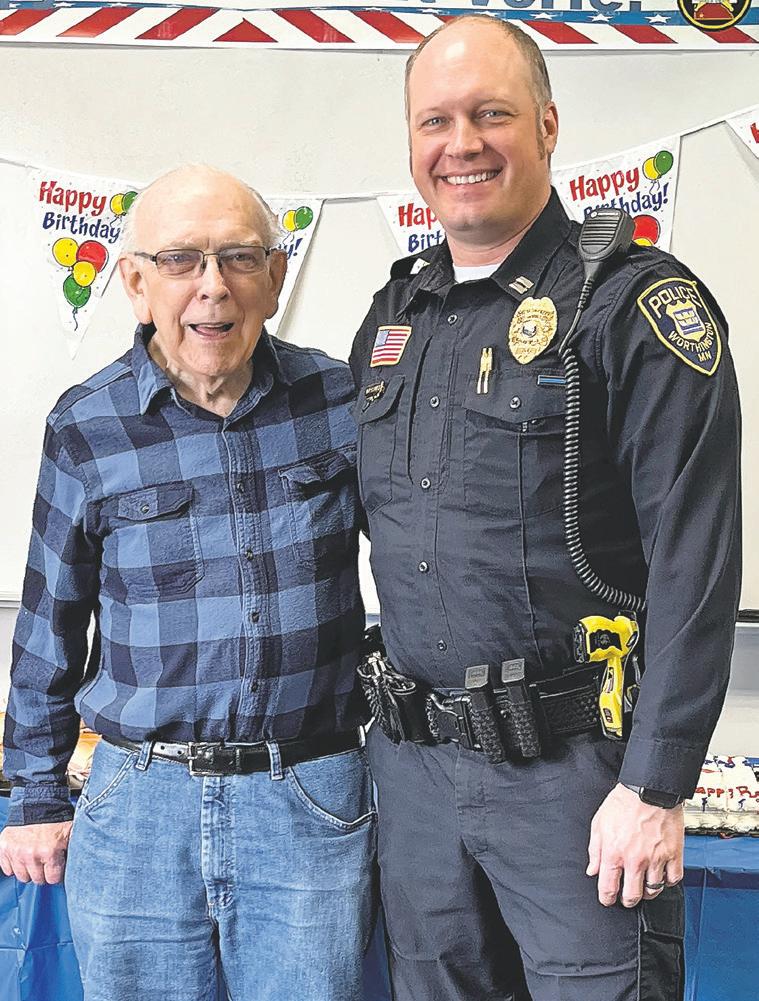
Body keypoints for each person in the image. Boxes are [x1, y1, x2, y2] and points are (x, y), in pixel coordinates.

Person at [349, 16, 740, 1001]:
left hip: (577, 783)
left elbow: (695, 558)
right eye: (435, 121)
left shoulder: (631, 303)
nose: (462, 144)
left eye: (491, 114)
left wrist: (654, 784)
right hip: (417, 781)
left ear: (549, 125)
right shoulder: (394, 316)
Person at [1, 164, 375, 1001]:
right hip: (138, 805)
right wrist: (35, 795)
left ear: (274, 276)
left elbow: (426, 565)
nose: (212, 286)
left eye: (239, 257)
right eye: (180, 260)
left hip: (310, 796)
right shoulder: (86, 423)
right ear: (136, 283)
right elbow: (50, 620)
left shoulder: (342, 401)